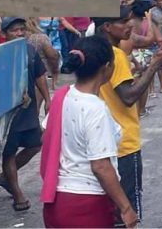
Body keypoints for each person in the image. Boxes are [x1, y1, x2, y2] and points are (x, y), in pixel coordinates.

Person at [40, 36, 138, 228]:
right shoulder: (95, 108)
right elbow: (100, 166)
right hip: (86, 204)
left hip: (56, 200)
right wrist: (126, 207)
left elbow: (46, 136)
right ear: (107, 67)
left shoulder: (64, 95)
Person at [92, 10, 162, 225]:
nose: (130, 25)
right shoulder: (115, 55)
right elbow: (128, 96)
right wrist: (155, 65)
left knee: (111, 212)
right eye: (123, 21)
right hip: (123, 143)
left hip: (103, 142)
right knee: (127, 213)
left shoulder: (97, 51)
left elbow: (118, 87)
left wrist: (143, 71)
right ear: (107, 26)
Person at [0, 17, 50, 213]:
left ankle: (5, 177)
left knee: (36, 144)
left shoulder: (30, 50)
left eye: (21, 30)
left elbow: (40, 76)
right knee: (9, 151)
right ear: (4, 34)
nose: (19, 34)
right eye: (14, 31)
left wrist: (47, 100)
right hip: (8, 112)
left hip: (28, 108)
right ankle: (17, 193)